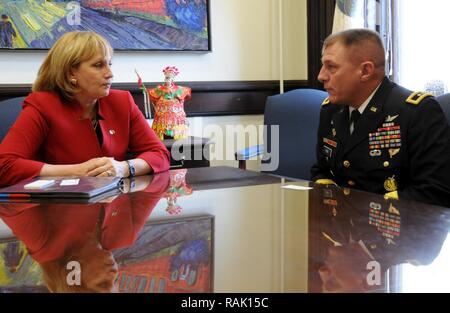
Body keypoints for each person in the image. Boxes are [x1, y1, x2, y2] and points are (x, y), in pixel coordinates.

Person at [0, 31, 170, 187]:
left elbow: (159, 154)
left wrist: (124, 168)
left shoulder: (122, 102)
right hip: (55, 209)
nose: (110, 73)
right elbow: (4, 165)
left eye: (109, 64)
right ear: (70, 74)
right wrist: (77, 171)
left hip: (110, 205)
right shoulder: (43, 105)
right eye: (98, 65)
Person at [311, 28, 450, 208]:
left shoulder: (416, 112)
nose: (321, 76)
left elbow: (435, 191)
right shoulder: (331, 110)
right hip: (343, 229)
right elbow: (321, 171)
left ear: (366, 71)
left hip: (398, 228)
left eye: (331, 67)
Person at [0, 175, 170, 292]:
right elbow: (160, 183)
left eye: (103, 283)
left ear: (75, 276)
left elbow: (7, 204)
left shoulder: (47, 246)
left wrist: (76, 182)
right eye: (116, 282)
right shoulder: (124, 234)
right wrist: (124, 173)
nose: (114, 274)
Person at [149, 66, 191, 140]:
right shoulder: (160, 89)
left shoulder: (178, 89)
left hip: (175, 112)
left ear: (172, 79)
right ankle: (161, 132)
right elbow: (153, 96)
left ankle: (177, 132)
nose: (167, 80)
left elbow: (182, 99)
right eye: (166, 78)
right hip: (162, 113)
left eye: (169, 78)